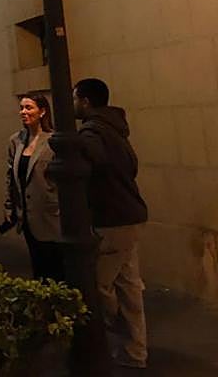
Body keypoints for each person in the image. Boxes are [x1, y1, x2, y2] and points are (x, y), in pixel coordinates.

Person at [75, 77, 149, 370]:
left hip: (112, 218)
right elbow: (131, 165)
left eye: (76, 98)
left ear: (86, 102)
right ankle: (135, 351)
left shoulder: (92, 132)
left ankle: (116, 340)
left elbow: (95, 163)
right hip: (130, 214)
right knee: (129, 286)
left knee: (99, 285)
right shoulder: (116, 128)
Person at [1, 94, 64, 281]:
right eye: (21, 108)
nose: (23, 112)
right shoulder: (16, 141)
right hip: (27, 214)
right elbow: (11, 176)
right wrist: (9, 205)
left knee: (56, 266)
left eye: (29, 108)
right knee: (38, 264)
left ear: (42, 111)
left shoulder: (53, 140)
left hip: (50, 213)